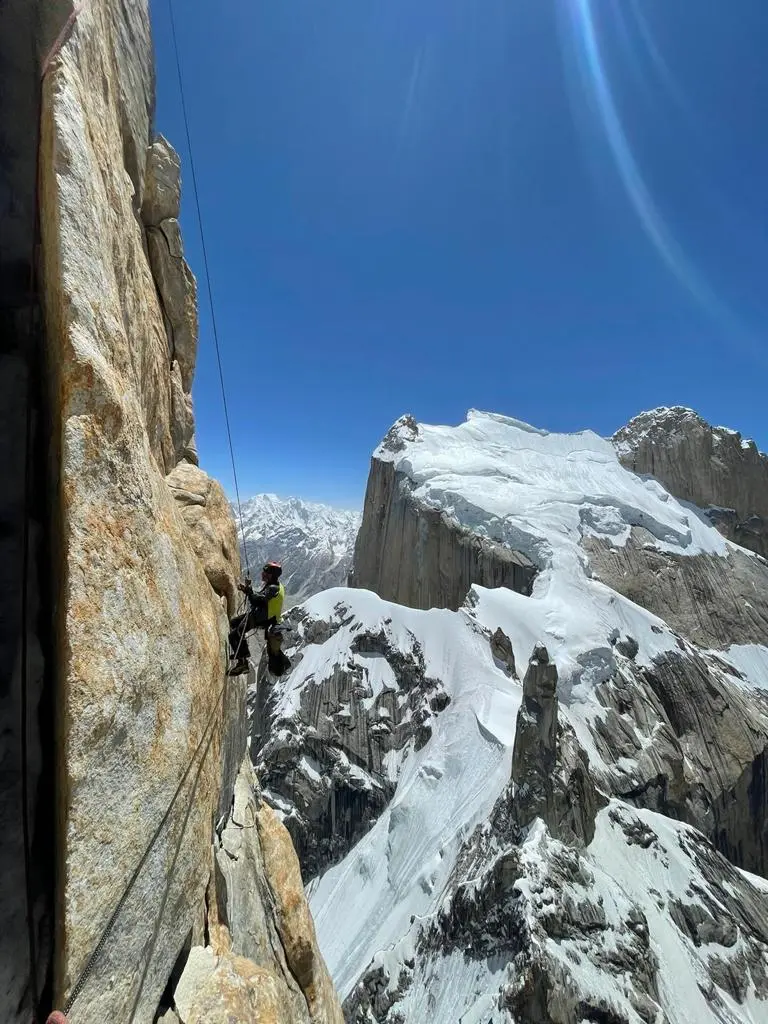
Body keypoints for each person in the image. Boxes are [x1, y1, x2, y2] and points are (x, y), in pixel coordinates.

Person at [228, 561, 285, 675]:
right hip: (262, 614)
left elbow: (257, 600)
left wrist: (249, 591)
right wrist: (247, 590)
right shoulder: (273, 585)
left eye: (265, 572)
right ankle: (241, 652)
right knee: (234, 623)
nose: (262, 574)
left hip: (263, 618)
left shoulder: (273, 588)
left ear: (271, 575)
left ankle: (243, 663)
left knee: (235, 634)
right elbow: (261, 598)